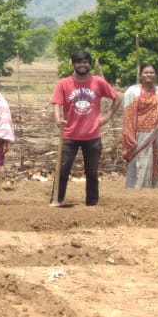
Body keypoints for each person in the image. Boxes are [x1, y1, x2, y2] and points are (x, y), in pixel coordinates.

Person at [50, 51, 119, 206]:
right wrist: (57, 118)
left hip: (92, 135)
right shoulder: (64, 83)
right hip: (69, 134)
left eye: (86, 62)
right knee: (63, 169)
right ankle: (57, 199)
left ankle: (92, 202)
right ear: (73, 64)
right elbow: (57, 103)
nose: (82, 65)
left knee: (92, 171)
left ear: (90, 64)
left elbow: (117, 98)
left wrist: (107, 117)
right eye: (79, 62)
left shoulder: (98, 82)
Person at [121, 63, 158, 189]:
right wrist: (129, 134)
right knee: (139, 161)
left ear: (155, 75)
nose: (149, 75)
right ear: (140, 75)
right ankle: (137, 189)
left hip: (156, 133)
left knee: (154, 160)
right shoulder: (132, 91)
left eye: (151, 73)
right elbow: (128, 114)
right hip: (139, 133)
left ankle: (153, 190)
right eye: (146, 72)